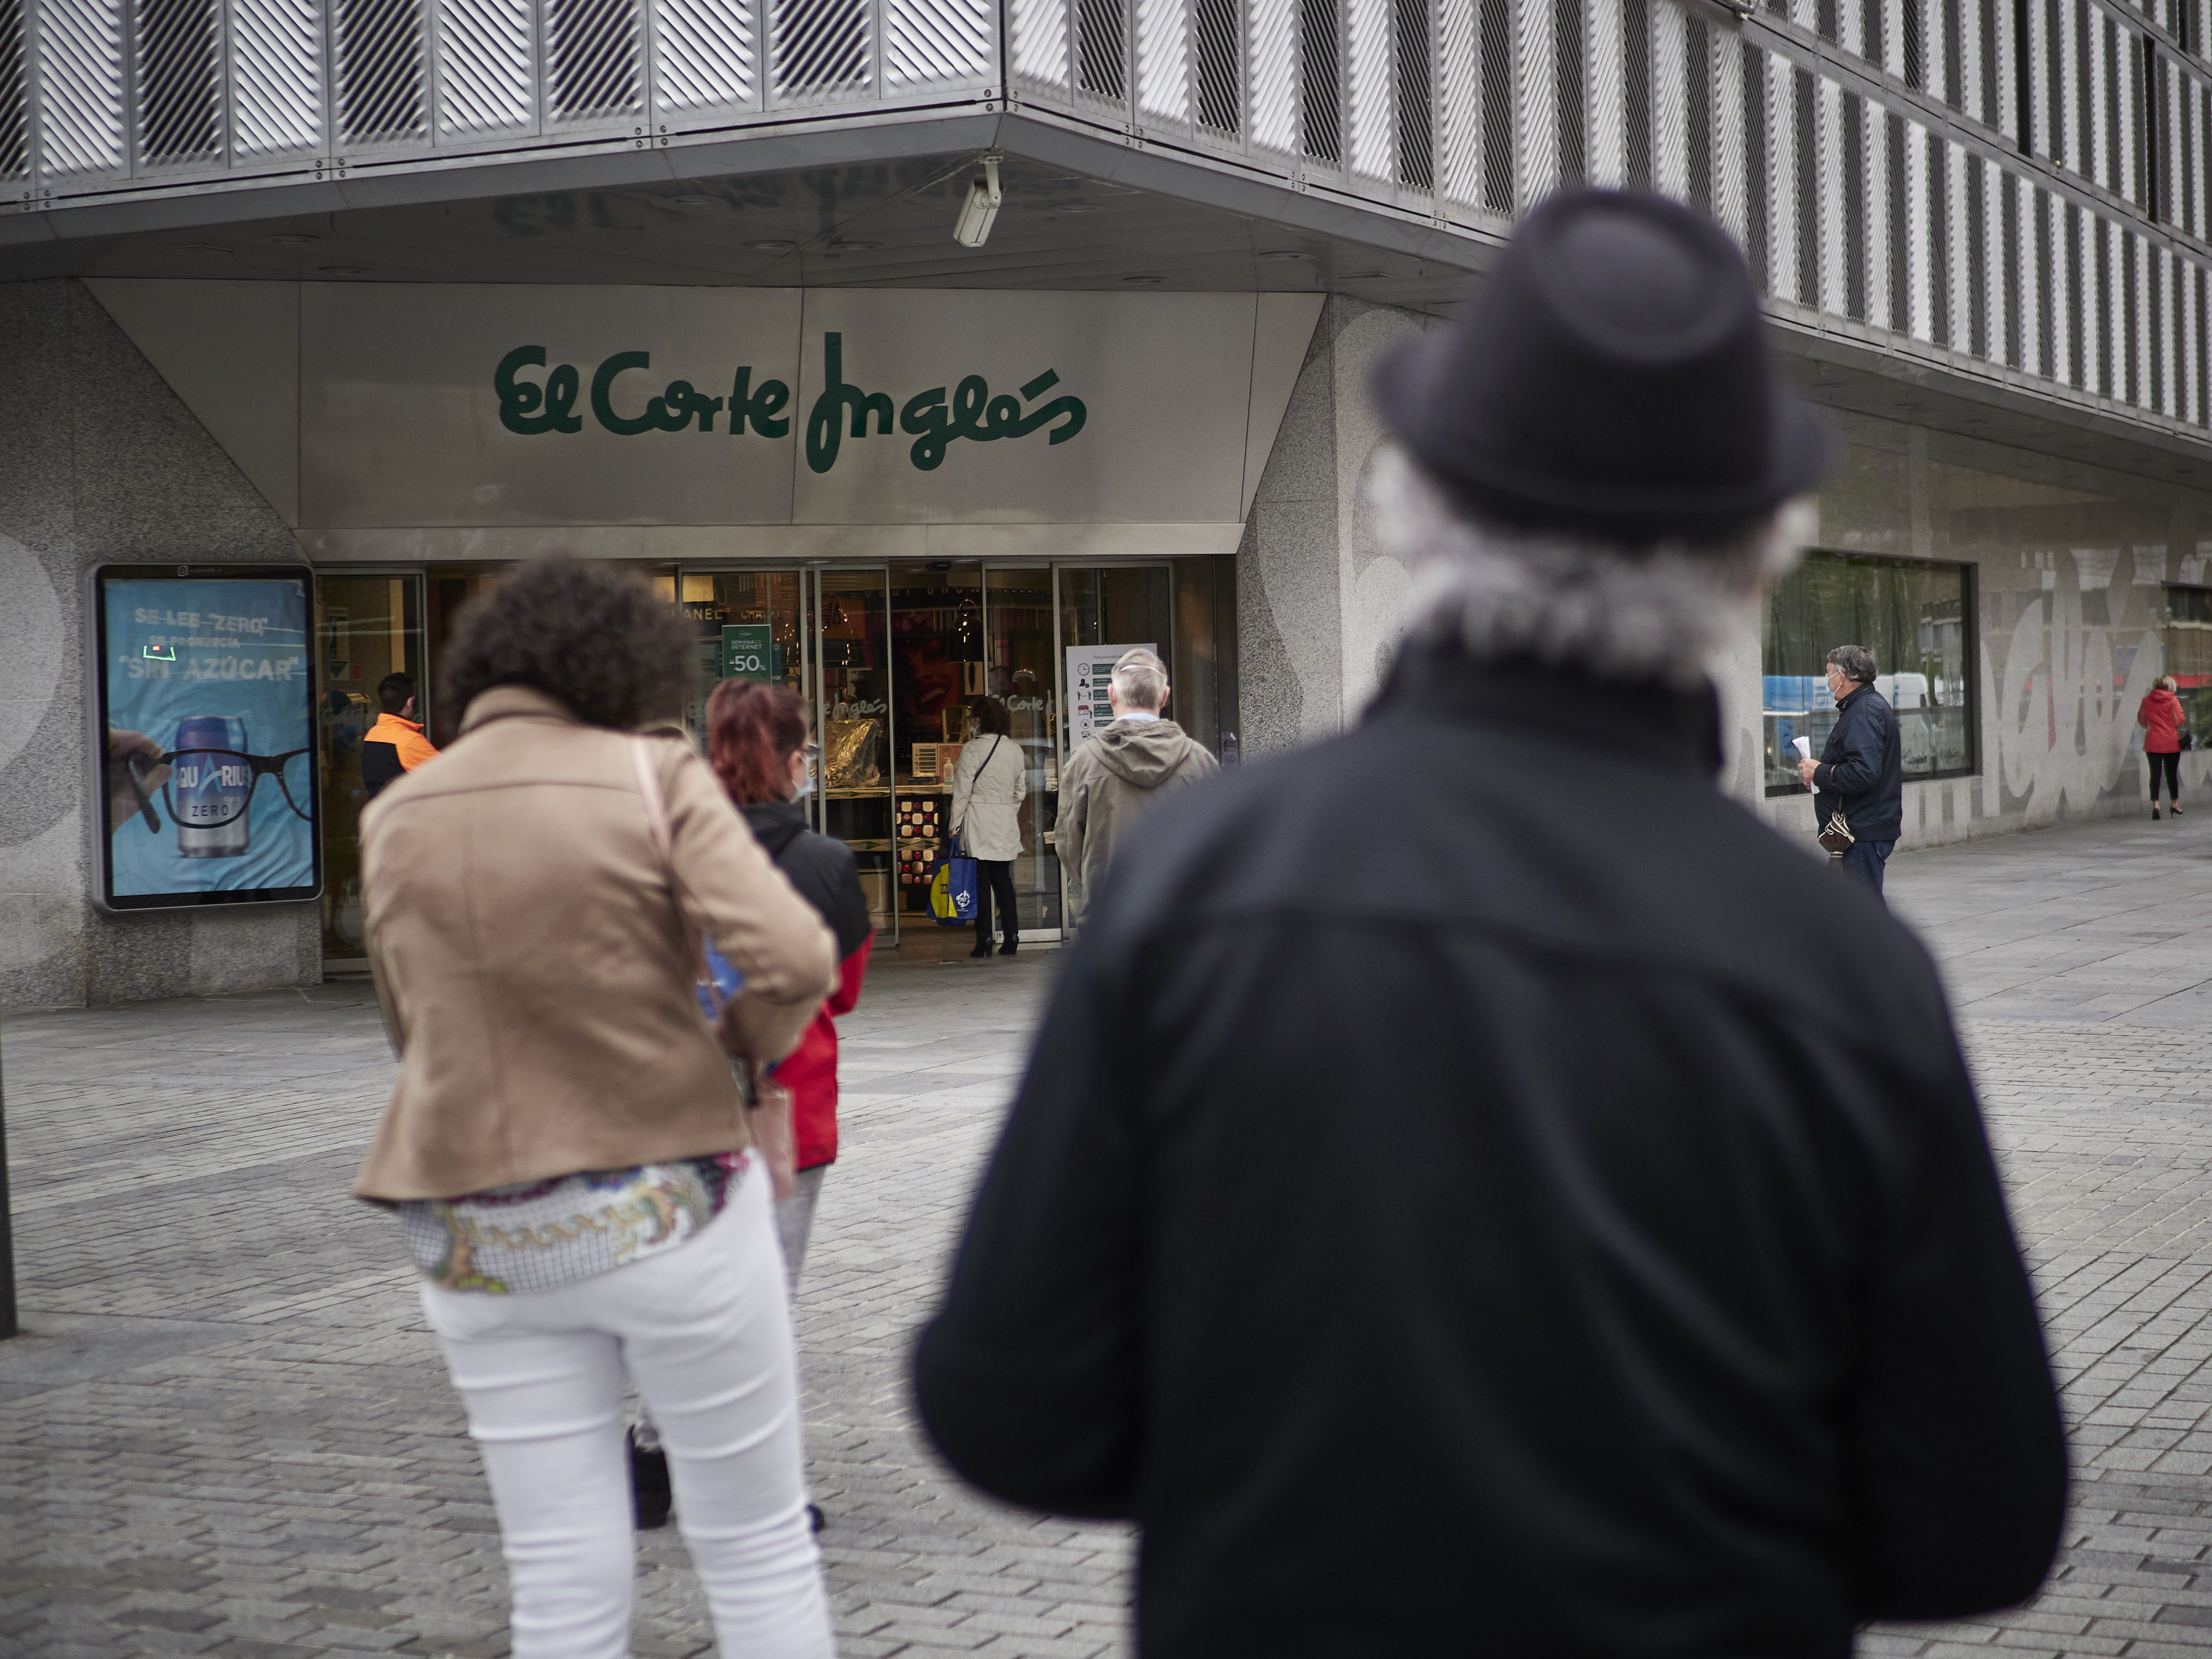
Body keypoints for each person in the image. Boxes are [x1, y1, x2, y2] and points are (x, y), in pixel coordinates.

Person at [914, 189, 2065, 1658]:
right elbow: (1983, 1519)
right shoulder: (1842, 968)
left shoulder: (1201, 882)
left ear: (1416, 516)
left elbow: (1007, 1410)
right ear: (1757, 557)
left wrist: (1273, 1475)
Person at [353, 561, 839, 1659]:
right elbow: (791, 956)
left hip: (476, 1220)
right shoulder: (652, 773)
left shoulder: (402, 813)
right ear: (627, 667)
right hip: (666, 1186)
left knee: (560, 1576)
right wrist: (746, 1060)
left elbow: (407, 1026)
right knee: (755, 1543)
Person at [704, 680, 874, 1276]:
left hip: (679, 1111)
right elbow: (844, 992)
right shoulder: (827, 864)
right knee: (772, 1299)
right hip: (791, 1109)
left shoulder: (667, 854)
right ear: (795, 762)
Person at [1055, 648, 1218, 922]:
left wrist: (1091, 878)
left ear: (1111, 695)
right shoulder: (1199, 761)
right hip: (1184, 918)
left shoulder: (1085, 761)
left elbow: (1068, 842)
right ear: (1164, 696)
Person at [1793, 644, 1903, 896]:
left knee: (1864, 915)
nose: (1826, 679)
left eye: (1828, 672)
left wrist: (1820, 772)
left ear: (1841, 676)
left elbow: (1864, 773)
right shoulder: (1863, 708)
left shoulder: (1864, 712)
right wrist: (1819, 777)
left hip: (1862, 832)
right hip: (1861, 829)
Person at [948, 697, 1026, 958]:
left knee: (980, 882)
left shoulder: (972, 749)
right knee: (1003, 880)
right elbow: (1020, 791)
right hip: (1004, 819)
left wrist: (954, 824)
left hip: (978, 818)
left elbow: (962, 791)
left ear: (979, 721)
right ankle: (1012, 935)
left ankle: (983, 939)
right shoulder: (1014, 750)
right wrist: (1006, 810)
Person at [361, 671, 440, 801]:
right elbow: (451, 775)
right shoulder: (409, 741)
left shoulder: (372, 735)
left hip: (382, 815)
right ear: (411, 702)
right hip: (410, 817)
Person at [2140, 672, 2187, 818]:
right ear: (2170, 686)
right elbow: (2179, 720)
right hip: (2171, 743)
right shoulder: (2173, 701)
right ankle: (2174, 804)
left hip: (2153, 743)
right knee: (2172, 774)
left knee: (2155, 774)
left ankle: (2156, 806)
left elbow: (2142, 721)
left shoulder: (2146, 701)